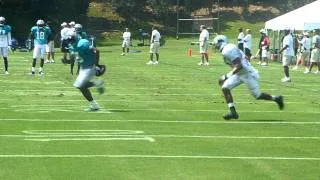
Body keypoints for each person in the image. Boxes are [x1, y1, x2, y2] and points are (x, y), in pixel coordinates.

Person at [213, 35, 284, 120]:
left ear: (221, 42)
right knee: (225, 88)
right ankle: (233, 113)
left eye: (216, 44)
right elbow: (242, 59)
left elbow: (239, 66)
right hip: (239, 73)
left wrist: (226, 76)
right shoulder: (229, 48)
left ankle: (277, 99)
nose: (215, 46)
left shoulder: (227, 50)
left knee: (257, 95)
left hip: (247, 73)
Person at [68, 35, 105, 112]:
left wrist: (96, 65)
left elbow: (96, 51)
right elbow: (74, 58)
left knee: (80, 85)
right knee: (80, 86)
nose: (71, 43)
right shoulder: (71, 46)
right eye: (70, 41)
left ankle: (96, 84)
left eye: (72, 41)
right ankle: (94, 104)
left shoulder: (83, 43)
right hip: (83, 67)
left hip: (90, 66)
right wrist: (66, 61)